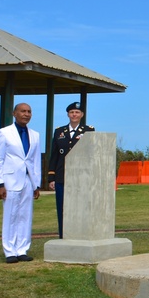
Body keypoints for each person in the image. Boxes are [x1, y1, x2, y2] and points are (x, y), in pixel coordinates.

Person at [0, 103, 42, 263]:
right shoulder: (4, 133)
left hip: (28, 181)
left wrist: (36, 184)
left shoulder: (35, 135)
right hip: (10, 180)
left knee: (25, 216)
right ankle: (9, 251)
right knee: (11, 215)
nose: (26, 114)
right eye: (23, 111)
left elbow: (35, 161)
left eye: (29, 111)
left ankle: (22, 249)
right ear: (15, 113)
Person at [46, 101, 95, 239]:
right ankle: (63, 235)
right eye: (72, 112)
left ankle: (80, 234)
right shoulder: (59, 132)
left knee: (80, 206)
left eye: (77, 112)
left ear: (82, 115)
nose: (74, 115)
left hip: (81, 176)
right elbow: (54, 156)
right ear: (68, 114)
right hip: (62, 175)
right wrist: (51, 177)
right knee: (62, 207)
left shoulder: (88, 131)